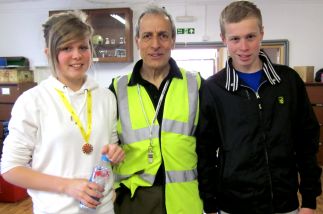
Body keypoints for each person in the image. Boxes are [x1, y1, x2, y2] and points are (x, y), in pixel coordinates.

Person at [196, 1, 322, 214]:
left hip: (283, 204)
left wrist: (309, 200)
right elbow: (205, 152)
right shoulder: (213, 88)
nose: (243, 47)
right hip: (231, 205)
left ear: (262, 34)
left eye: (250, 37)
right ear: (223, 39)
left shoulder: (288, 81)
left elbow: (306, 142)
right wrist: (209, 204)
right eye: (235, 39)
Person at [1, 10, 124, 214]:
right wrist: (67, 185)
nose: (77, 55)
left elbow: (110, 146)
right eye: (66, 48)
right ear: (49, 53)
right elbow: (11, 169)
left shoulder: (106, 97)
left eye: (83, 47)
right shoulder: (33, 101)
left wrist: (115, 152)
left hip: (103, 209)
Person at [109, 5, 203, 214]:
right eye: (147, 36)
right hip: (134, 200)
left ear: (173, 41)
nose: (155, 44)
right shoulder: (117, 89)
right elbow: (106, 146)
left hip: (185, 200)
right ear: (137, 41)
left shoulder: (195, 84)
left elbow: (209, 146)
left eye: (163, 35)